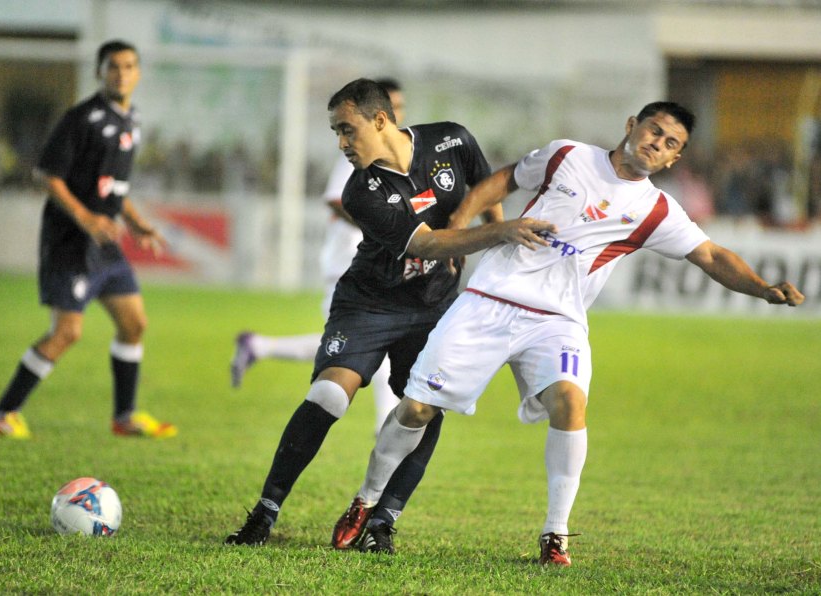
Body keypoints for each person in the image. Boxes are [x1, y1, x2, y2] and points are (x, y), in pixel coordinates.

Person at [333, 101, 805, 563]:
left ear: (674, 157)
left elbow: (711, 255)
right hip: (490, 300)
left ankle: (555, 534)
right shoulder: (568, 155)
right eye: (654, 131)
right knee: (416, 409)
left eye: (670, 143)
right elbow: (502, 179)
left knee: (570, 402)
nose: (656, 144)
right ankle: (366, 498)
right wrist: (459, 223)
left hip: (557, 321)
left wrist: (763, 289)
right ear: (631, 125)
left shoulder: (657, 210)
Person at [223, 78, 555, 550]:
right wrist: (500, 236)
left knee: (423, 408)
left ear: (380, 120)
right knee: (329, 396)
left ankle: (382, 523)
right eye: (336, 132)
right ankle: (265, 513)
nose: (341, 143)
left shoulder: (452, 140)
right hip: (369, 302)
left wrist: (493, 228)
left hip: (432, 306)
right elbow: (425, 243)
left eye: (347, 130)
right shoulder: (362, 191)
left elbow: (483, 192)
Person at [0, 40, 177, 439]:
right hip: (70, 243)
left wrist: (137, 223)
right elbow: (47, 175)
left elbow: (114, 189)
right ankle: (3, 413)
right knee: (67, 332)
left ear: (137, 74)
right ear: (99, 72)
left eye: (128, 67)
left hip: (105, 246)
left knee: (134, 322)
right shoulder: (81, 118)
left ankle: (124, 418)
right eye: (112, 67)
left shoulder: (131, 121)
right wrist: (86, 217)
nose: (120, 74)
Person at [230, 79, 406, 433]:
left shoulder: (395, 150)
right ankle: (386, 422)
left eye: (401, 107)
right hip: (349, 258)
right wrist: (382, 230)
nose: (398, 113)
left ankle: (259, 346)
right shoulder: (362, 144)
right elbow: (335, 197)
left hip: (368, 259)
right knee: (360, 340)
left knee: (351, 341)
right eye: (393, 106)